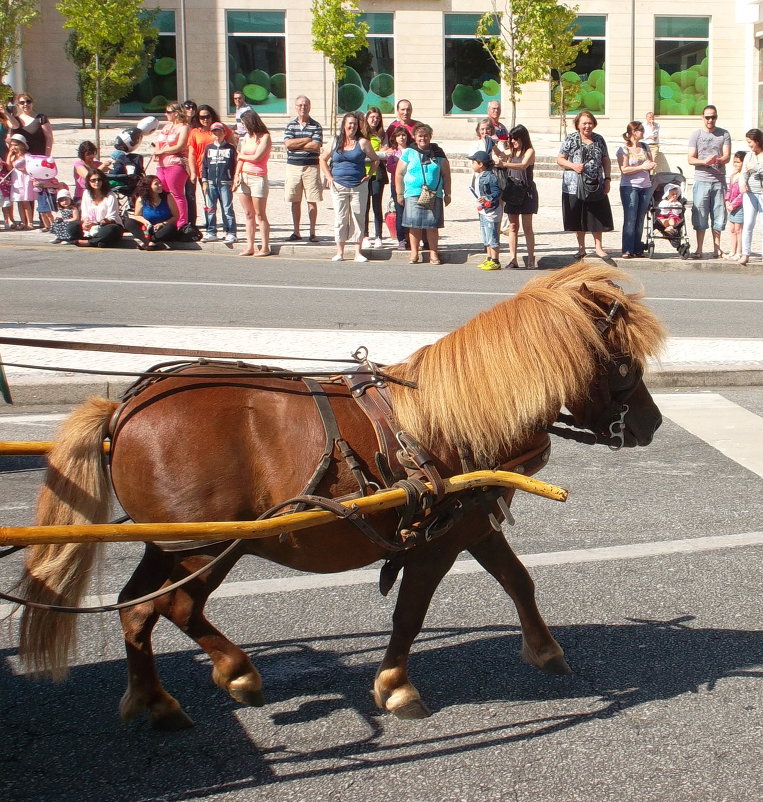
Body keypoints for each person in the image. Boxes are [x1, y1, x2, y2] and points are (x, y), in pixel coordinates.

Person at [319, 112, 379, 262]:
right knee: (340, 218)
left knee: (358, 217)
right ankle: (340, 252)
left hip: (358, 185)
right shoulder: (335, 141)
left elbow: (375, 160)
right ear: (344, 125)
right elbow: (322, 159)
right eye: (349, 123)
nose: (352, 126)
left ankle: (358, 252)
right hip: (339, 185)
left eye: (355, 124)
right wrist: (329, 176)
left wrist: (369, 175)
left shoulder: (363, 142)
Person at [556, 110, 614, 262]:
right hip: (574, 185)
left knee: (597, 215)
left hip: (596, 183)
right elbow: (560, 159)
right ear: (578, 125)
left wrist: (607, 179)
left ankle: (599, 248)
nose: (587, 126)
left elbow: (606, 160)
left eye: (590, 123)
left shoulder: (599, 139)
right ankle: (581, 247)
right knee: (578, 216)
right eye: (584, 123)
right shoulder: (571, 138)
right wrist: (573, 166)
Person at [394, 123, 452, 264]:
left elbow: (446, 174)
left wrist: (448, 194)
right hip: (413, 193)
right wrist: (399, 193)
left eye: (426, 136)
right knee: (414, 224)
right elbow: (399, 174)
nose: (423, 138)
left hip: (433, 193)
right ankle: (414, 253)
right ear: (414, 137)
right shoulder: (408, 152)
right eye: (420, 136)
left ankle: (433, 253)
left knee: (432, 225)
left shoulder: (438, 154)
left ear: (430, 137)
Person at [688, 104, 731, 259]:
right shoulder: (696, 135)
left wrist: (717, 159)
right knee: (700, 214)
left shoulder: (724, 134)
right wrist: (704, 161)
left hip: (719, 180)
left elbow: (727, 156)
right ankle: (699, 249)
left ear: (716, 117)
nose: (710, 120)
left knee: (719, 214)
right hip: (701, 180)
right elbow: (690, 159)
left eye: (713, 117)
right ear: (702, 117)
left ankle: (717, 248)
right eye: (707, 117)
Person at [187, 105, 235, 232]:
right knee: (209, 201)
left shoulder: (221, 128)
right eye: (202, 117)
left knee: (226, 203)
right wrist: (192, 172)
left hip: (223, 171)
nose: (205, 119)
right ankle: (211, 228)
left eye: (207, 116)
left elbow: (233, 148)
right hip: (205, 172)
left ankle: (229, 229)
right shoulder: (195, 132)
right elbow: (191, 154)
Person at [283, 95, 323, 242]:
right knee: (295, 200)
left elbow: (316, 146)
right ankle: (296, 231)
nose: (302, 108)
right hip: (293, 167)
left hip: (311, 167)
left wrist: (297, 143)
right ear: (295, 107)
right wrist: (307, 140)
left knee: (312, 200)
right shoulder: (290, 125)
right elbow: (288, 144)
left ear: (310, 107)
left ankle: (312, 232)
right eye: (300, 105)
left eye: (305, 105)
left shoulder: (316, 125)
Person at [233, 109, 272, 257]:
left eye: (244, 123)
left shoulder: (265, 137)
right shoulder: (246, 138)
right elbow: (241, 160)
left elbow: (257, 157)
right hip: (244, 176)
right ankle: (249, 245)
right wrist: (237, 174)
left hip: (258, 177)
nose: (243, 127)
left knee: (259, 214)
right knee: (248, 213)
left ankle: (265, 246)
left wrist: (240, 155)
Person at [616, 121, 656, 258]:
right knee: (630, 218)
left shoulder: (645, 147)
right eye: (641, 130)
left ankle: (637, 248)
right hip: (630, 186)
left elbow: (650, 163)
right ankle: (627, 249)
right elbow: (624, 169)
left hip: (645, 186)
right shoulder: (624, 149)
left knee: (640, 218)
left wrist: (651, 165)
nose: (643, 132)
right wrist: (641, 167)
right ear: (633, 132)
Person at [504, 124, 539, 269]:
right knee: (512, 227)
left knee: (527, 227)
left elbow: (524, 165)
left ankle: (531, 258)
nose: (513, 141)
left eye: (516, 139)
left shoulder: (529, 151)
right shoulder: (511, 152)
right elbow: (499, 153)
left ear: (523, 138)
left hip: (526, 191)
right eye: (511, 139)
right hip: (513, 190)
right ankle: (513, 259)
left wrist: (505, 164)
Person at [153, 101, 191, 228]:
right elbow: (159, 143)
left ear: (176, 113)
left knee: (177, 193)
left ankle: (182, 221)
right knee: (163, 192)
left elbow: (180, 146)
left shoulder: (184, 127)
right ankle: (168, 218)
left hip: (175, 163)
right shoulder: (166, 127)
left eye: (168, 112)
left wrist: (163, 151)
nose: (166, 114)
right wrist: (156, 152)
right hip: (161, 164)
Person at [65, 167, 124, 247]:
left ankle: (89, 242)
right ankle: (99, 241)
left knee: (111, 229)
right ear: (89, 182)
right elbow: (85, 213)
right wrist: (85, 223)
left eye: (99, 180)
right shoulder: (86, 193)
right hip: (90, 226)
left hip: (106, 225)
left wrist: (95, 224)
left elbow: (111, 217)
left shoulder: (110, 196)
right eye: (93, 180)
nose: (96, 182)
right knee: (72, 226)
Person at [201, 122, 237, 243]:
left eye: (219, 132)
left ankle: (231, 232)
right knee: (210, 208)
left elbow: (234, 165)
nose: (217, 135)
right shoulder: (208, 148)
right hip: (211, 182)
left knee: (227, 208)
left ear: (224, 133)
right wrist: (204, 181)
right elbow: (204, 165)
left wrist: (234, 179)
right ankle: (211, 231)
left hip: (225, 182)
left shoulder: (230, 148)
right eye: (214, 132)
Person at [124, 174, 179, 250]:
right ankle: (148, 242)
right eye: (156, 184)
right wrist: (145, 222)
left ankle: (148, 242)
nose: (160, 185)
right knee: (128, 221)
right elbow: (137, 215)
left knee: (171, 227)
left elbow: (176, 216)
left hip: (162, 228)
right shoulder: (141, 199)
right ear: (148, 187)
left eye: (160, 183)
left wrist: (163, 223)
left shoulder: (168, 197)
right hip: (148, 228)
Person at [468, 149, 502, 270]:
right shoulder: (478, 176)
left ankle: (495, 260)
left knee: (492, 235)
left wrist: (487, 199)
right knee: (486, 236)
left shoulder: (490, 177)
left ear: (481, 164)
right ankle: (488, 258)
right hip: (482, 210)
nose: (472, 165)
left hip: (491, 211)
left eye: (473, 162)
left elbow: (496, 192)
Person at [361, 106, 389, 248]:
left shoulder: (382, 134)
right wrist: (376, 154)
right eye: (372, 117)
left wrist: (373, 154)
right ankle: (365, 235)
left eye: (377, 118)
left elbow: (386, 153)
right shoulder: (361, 134)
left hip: (378, 173)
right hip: (363, 173)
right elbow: (360, 154)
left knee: (377, 205)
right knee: (364, 206)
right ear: (367, 118)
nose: (375, 120)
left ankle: (379, 236)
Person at [385, 126, 413, 250]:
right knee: (400, 213)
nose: (402, 138)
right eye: (399, 135)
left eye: (404, 135)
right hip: (396, 185)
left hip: (411, 185)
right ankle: (401, 239)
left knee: (412, 212)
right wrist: (402, 165)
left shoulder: (412, 151)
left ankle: (412, 238)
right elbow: (390, 168)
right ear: (395, 138)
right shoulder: (393, 152)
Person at [739, 128, 763, 266]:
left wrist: (755, 168)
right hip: (750, 193)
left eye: (750, 142)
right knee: (748, 223)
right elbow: (743, 173)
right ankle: (745, 253)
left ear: (758, 141)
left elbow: (755, 168)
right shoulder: (749, 155)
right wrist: (743, 184)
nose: (749, 145)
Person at [4, 133, 34, 229]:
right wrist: (9, 155)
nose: (14, 147)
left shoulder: (27, 156)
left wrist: (23, 169)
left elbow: (30, 168)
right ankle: (23, 221)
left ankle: (30, 222)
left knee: (26, 201)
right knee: (19, 202)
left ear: (22, 145)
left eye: (16, 145)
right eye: (12, 145)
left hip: (24, 179)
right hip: (16, 179)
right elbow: (9, 167)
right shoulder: (13, 156)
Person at [723, 150, 745, 260]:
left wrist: (734, 204)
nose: (736, 164)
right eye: (734, 162)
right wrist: (727, 201)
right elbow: (729, 189)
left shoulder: (744, 176)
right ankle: (732, 250)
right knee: (732, 229)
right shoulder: (733, 176)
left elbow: (742, 194)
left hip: (739, 206)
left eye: (738, 162)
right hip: (730, 205)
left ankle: (739, 251)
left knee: (738, 229)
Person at [72, 141, 102, 205]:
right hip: (81, 197)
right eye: (88, 154)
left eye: (93, 153)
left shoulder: (98, 164)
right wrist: (102, 167)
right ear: (83, 155)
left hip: (97, 196)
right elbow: (88, 176)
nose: (91, 156)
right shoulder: (78, 164)